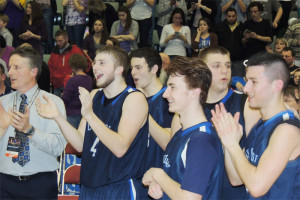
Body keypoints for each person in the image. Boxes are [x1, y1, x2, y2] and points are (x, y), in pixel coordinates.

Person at [36, 45, 149, 199]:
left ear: (119, 69)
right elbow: (80, 144)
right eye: (95, 62)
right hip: (89, 186)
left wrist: (89, 115)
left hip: (119, 186)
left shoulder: (134, 99)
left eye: (102, 63)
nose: (95, 67)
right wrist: (58, 117)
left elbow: (120, 148)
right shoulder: (95, 95)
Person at [211, 52, 300, 200]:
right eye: (247, 81)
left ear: (277, 85)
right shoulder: (260, 125)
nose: (246, 88)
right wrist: (228, 141)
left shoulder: (287, 130)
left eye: (254, 82)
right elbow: (236, 179)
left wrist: (233, 145)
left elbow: (257, 187)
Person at [142, 56, 224, 200]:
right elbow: (178, 180)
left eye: (172, 87)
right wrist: (158, 182)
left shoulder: (202, 140)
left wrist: (158, 175)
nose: (165, 94)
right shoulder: (182, 133)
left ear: (194, 92)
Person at [0, 45, 66, 199]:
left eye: (16, 67)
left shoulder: (52, 102)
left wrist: (30, 130)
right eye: (10, 67)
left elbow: (57, 147)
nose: (10, 73)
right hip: (4, 184)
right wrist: (2, 129)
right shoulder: (2, 103)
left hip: (40, 184)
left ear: (33, 71)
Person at [198, 46, 261, 200]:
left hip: (234, 193)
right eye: (216, 66)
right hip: (200, 191)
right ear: (201, 71)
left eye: (227, 65)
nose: (224, 71)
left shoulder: (247, 104)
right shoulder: (191, 106)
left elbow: (255, 160)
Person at [130, 47, 174, 169]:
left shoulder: (168, 99)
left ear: (154, 69)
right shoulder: (131, 98)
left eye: (138, 67)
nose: (133, 72)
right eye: (132, 68)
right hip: (135, 173)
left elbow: (168, 143)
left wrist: (142, 111)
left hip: (158, 175)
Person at [48, 29, 87, 97]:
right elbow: (50, 67)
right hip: (57, 85)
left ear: (66, 39)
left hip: (71, 86)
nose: (58, 43)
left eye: (60, 41)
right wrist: (52, 81)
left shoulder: (76, 50)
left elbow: (84, 66)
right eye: (56, 41)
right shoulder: (54, 52)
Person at [62, 53, 93, 129]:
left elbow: (65, 98)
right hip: (84, 113)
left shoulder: (72, 80)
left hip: (72, 114)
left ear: (73, 67)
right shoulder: (89, 79)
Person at [216, 7, 245, 77]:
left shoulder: (242, 26)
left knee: (239, 81)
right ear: (226, 16)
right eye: (229, 16)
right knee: (225, 80)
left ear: (236, 16)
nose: (231, 18)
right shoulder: (219, 26)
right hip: (224, 59)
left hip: (239, 59)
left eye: (233, 16)